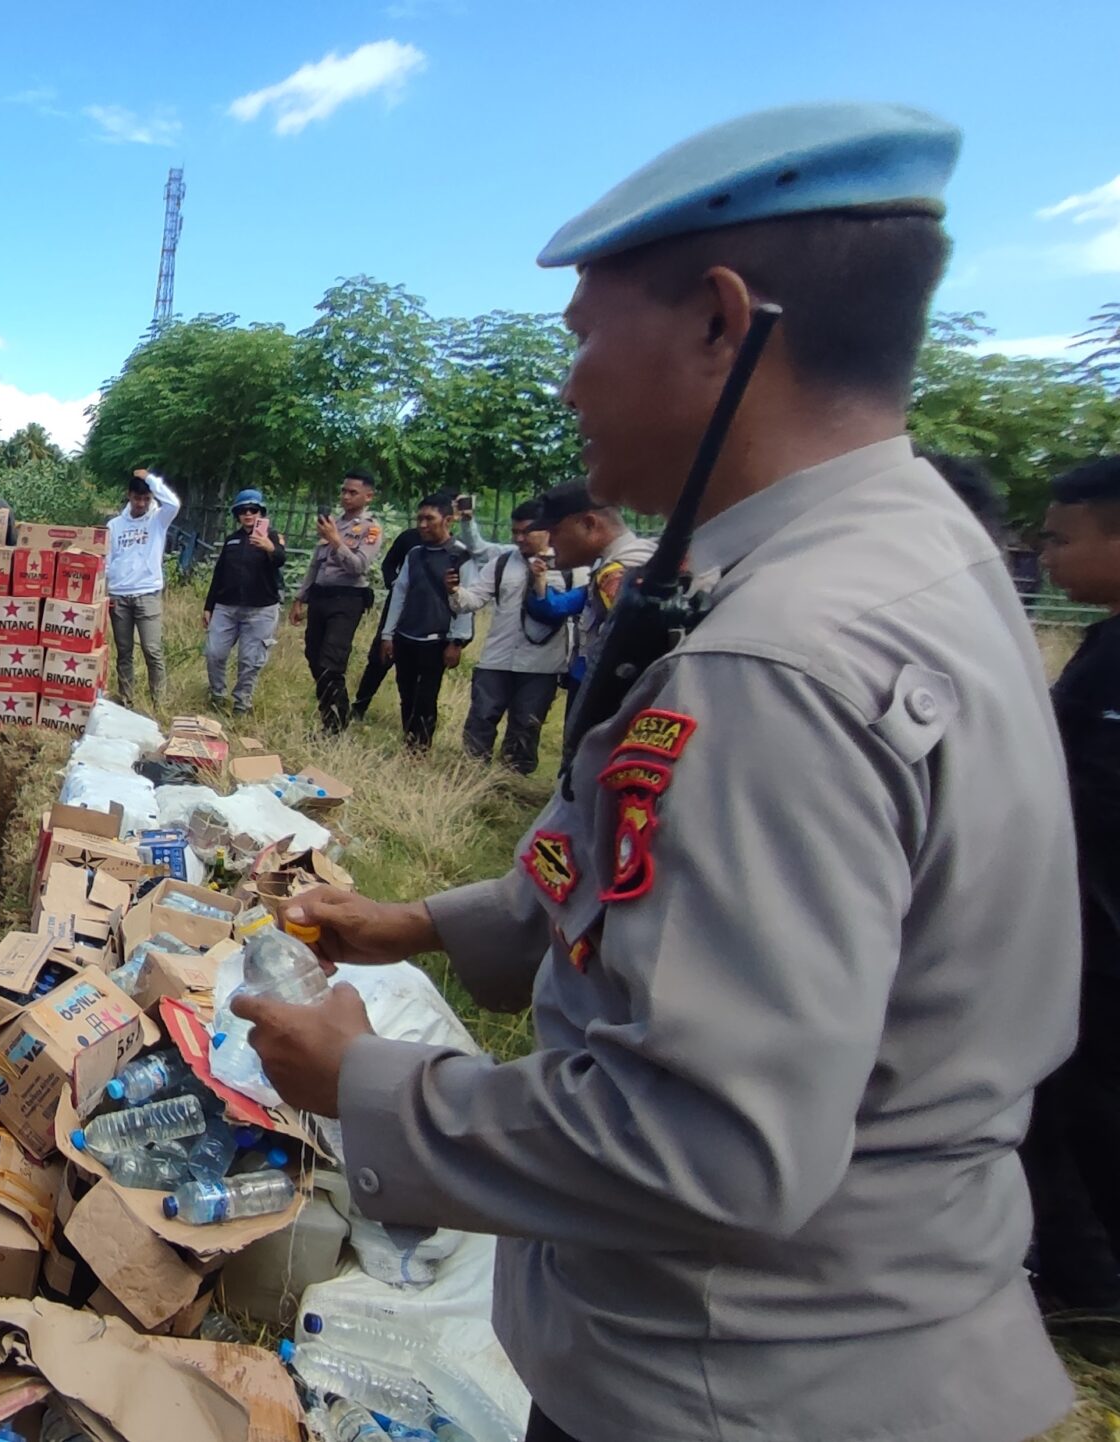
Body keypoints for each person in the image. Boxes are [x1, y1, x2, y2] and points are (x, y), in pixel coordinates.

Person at [238, 103, 1077, 1442]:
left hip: (736, 1383)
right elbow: (643, 873)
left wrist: (367, 1083)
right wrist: (422, 923)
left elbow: (707, 1141)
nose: (569, 386)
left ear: (720, 323)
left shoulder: (775, 659)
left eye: (582, 337)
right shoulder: (913, 552)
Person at [1023, 456, 1120, 1323]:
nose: (1045, 557)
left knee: (1081, 1093)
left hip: (1101, 922)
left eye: (1060, 539)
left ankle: (1092, 1285)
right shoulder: (1106, 642)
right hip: (1083, 910)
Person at [452, 497, 571, 773]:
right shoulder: (503, 562)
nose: (519, 539)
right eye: (515, 532)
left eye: (526, 532)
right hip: (497, 658)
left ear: (548, 529)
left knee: (526, 725)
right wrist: (455, 591)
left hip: (542, 663)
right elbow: (474, 599)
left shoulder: (569, 566)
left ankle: (514, 780)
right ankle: (471, 775)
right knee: (481, 717)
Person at [523, 481, 657, 700]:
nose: (549, 541)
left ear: (588, 524)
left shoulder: (620, 574)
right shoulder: (627, 565)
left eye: (555, 531)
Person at [374, 493, 475, 752]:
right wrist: (388, 635)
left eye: (430, 519)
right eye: (419, 518)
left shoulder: (460, 556)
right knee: (406, 694)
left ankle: (421, 747)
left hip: (437, 639)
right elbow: (400, 593)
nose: (422, 524)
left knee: (426, 697)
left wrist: (457, 642)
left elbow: (467, 602)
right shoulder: (415, 554)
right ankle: (409, 742)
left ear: (448, 520)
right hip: (406, 636)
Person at [292, 470, 385, 731]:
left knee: (331, 662)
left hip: (347, 598)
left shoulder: (370, 529)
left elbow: (359, 566)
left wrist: (335, 540)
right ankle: (331, 711)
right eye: (344, 491)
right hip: (321, 595)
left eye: (353, 492)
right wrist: (300, 597)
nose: (346, 496)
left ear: (368, 496)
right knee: (313, 655)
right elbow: (316, 563)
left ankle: (335, 724)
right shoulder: (332, 523)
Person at [200, 488, 285, 714]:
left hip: (261, 609)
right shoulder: (232, 541)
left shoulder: (272, 537)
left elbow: (280, 559)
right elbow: (219, 574)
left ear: (261, 512)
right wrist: (209, 606)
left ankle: (242, 703)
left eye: (253, 510)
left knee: (250, 660)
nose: (248, 514)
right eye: (243, 510)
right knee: (214, 652)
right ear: (237, 514)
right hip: (226, 607)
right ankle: (217, 695)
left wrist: (269, 547)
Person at [103, 467, 179, 709]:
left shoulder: (158, 520)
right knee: (124, 651)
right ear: (129, 496)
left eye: (146, 499)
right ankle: (126, 700)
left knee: (152, 649)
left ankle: (159, 703)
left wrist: (150, 479)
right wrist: (107, 590)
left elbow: (174, 503)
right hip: (120, 595)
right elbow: (107, 561)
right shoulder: (114, 525)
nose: (141, 504)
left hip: (147, 593)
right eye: (137, 498)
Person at [348, 525, 415, 724]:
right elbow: (389, 564)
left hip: (426, 616)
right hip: (396, 607)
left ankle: (412, 720)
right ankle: (359, 706)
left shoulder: (451, 548)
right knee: (379, 659)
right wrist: (396, 586)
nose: (424, 524)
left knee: (414, 670)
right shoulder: (409, 538)